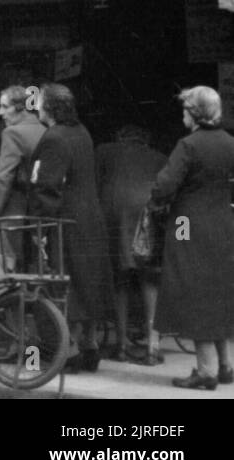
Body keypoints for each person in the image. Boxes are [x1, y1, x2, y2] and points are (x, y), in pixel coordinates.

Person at [149, 87, 234, 390]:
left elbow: (164, 187)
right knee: (219, 292)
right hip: (224, 224)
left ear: (195, 113)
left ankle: (206, 371)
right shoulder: (229, 143)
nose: (182, 114)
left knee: (194, 289)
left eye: (185, 109)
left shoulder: (188, 145)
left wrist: (157, 194)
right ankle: (226, 365)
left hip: (188, 224)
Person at [27, 83, 113, 371]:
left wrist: (38, 227)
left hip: (65, 221)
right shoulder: (82, 132)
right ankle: (89, 346)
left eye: (38, 102)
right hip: (90, 217)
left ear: (49, 107)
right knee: (87, 282)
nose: (35, 106)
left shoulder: (54, 137)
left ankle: (69, 351)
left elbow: (46, 187)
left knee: (63, 283)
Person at [96, 125, 168, 365]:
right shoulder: (159, 157)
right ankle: (153, 345)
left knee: (120, 279)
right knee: (149, 278)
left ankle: (122, 344)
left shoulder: (105, 151)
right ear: (145, 141)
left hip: (114, 214)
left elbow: (95, 184)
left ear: (120, 137)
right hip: (147, 214)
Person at [0, 85, 47, 270]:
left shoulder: (13, 133)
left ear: (19, 107)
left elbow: (3, 179)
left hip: (15, 213)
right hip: (38, 214)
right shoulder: (43, 129)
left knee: (3, 270)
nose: (0, 113)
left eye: (5, 106)